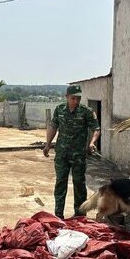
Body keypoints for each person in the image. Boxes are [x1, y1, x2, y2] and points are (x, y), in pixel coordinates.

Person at [43, 85, 101, 219]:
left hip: (78, 155)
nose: (76, 101)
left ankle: (80, 215)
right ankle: (58, 215)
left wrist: (92, 142)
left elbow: (96, 129)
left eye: (78, 98)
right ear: (67, 97)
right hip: (62, 154)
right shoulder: (59, 110)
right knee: (60, 183)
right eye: (73, 98)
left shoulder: (86, 111)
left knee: (79, 184)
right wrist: (47, 144)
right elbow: (53, 127)